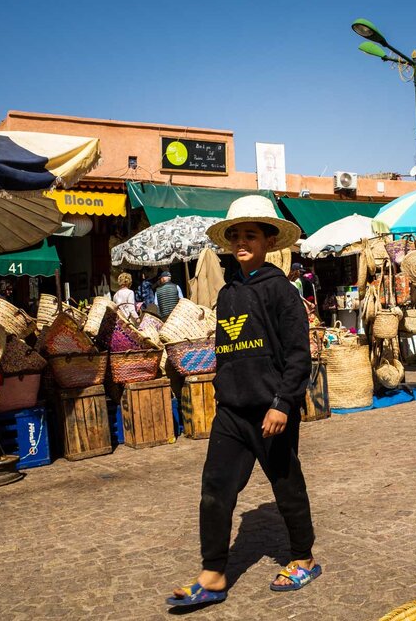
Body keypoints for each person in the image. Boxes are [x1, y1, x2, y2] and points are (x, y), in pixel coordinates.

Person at [167, 196, 317, 609]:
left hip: (272, 411)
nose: (242, 242)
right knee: (215, 490)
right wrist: (222, 394)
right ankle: (213, 574)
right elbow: (229, 351)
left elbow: (298, 355)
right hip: (231, 411)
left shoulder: (282, 292)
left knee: (287, 487)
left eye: (251, 234)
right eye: (236, 235)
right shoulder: (228, 293)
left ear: (270, 240)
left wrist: (283, 403)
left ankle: (303, 557)